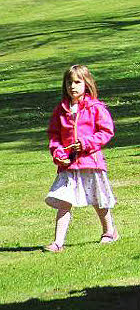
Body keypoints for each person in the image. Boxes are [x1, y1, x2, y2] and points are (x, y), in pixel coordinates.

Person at [44, 65, 117, 252]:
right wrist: (58, 152)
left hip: (90, 163)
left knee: (97, 200)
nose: (73, 86)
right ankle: (58, 242)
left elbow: (106, 131)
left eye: (77, 82)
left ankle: (109, 231)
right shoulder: (60, 111)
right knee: (64, 202)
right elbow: (54, 136)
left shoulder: (96, 108)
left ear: (87, 84)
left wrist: (86, 143)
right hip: (68, 166)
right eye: (69, 82)